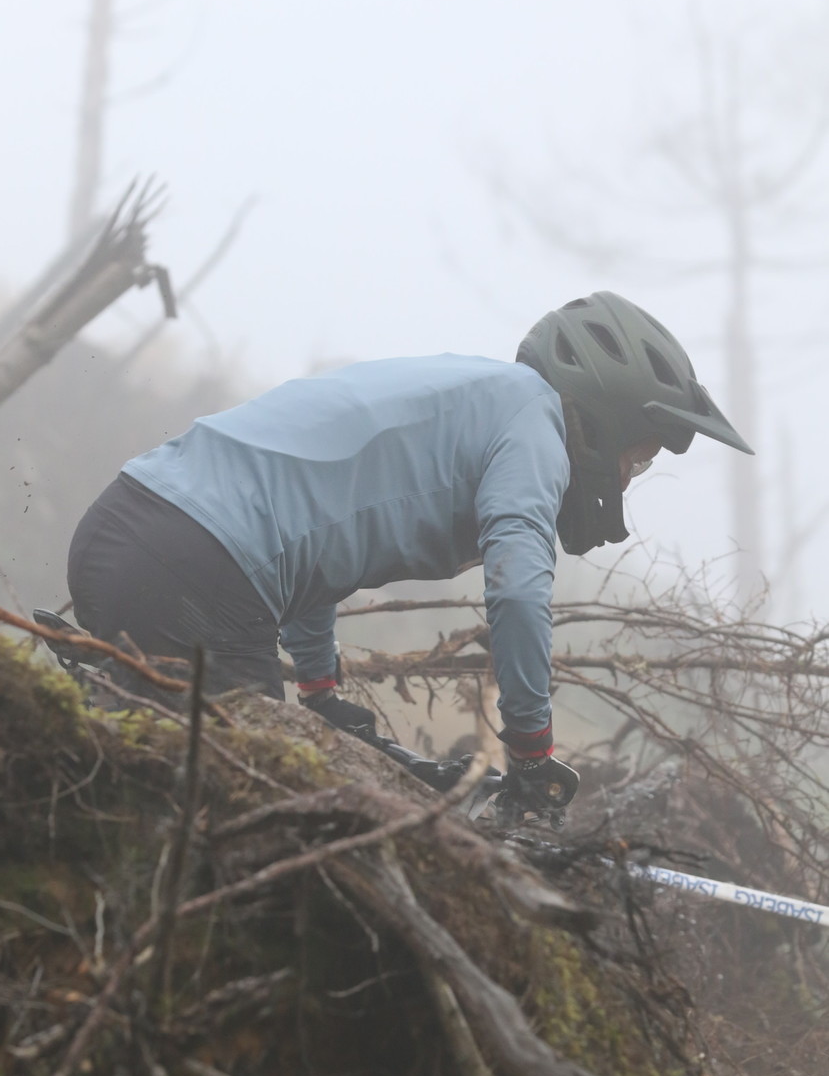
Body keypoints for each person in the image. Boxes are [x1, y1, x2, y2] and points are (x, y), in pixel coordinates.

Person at [66, 291, 752, 813]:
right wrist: (531, 750)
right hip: (195, 572)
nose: (631, 476)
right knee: (254, 814)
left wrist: (318, 685)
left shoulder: (474, 395)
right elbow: (515, 592)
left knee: (138, 791)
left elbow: (317, 526)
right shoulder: (533, 428)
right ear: (607, 417)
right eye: (639, 456)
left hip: (127, 531)